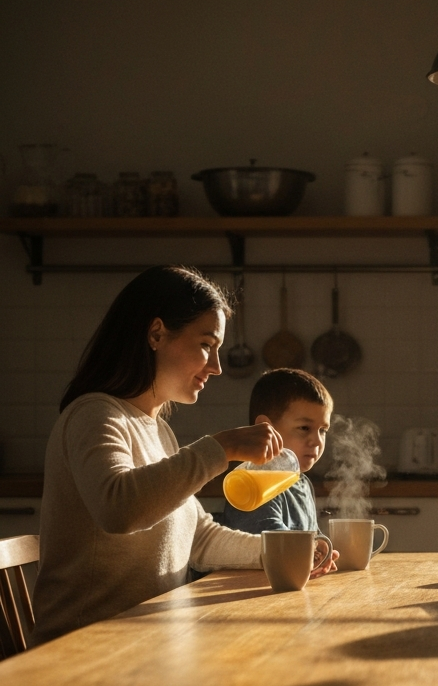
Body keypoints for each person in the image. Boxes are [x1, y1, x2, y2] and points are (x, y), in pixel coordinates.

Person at [31, 266, 334, 646]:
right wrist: (220, 448)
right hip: (86, 647)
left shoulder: (158, 430)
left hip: (153, 638)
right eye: (207, 344)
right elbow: (118, 509)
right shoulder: (93, 414)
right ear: (156, 334)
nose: (217, 367)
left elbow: (197, 537)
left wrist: (285, 554)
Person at [220, 368, 332, 535]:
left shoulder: (303, 482)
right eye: (304, 428)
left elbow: (311, 535)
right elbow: (271, 540)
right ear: (265, 428)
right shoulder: (251, 483)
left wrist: (321, 542)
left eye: (322, 430)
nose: (317, 441)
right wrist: (312, 546)